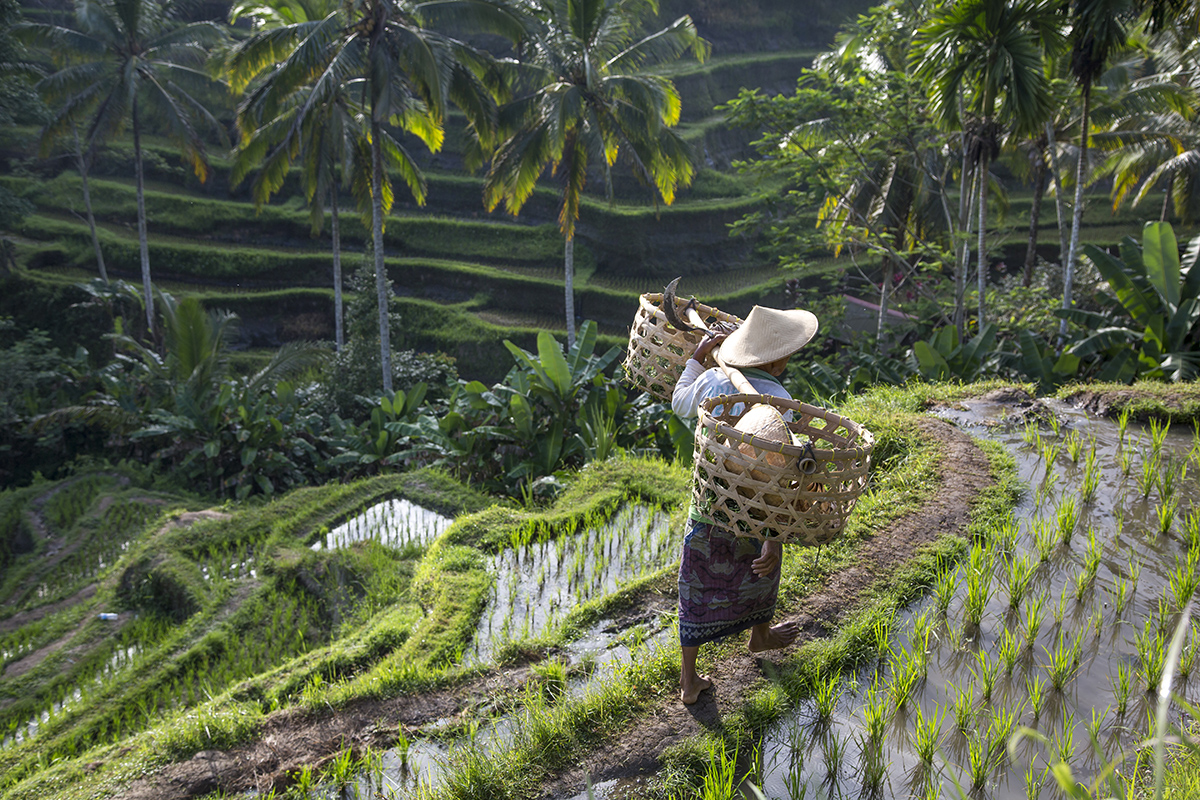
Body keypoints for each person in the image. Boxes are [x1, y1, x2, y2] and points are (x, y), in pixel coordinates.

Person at [671, 304, 819, 705]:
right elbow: (784, 477)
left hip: (710, 501)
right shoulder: (781, 401)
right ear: (775, 361)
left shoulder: (712, 380)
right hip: (758, 508)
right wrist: (775, 537)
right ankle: (760, 635)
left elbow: (679, 402)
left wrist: (696, 359)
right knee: (763, 569)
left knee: (697, 582)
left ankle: (689, 681)